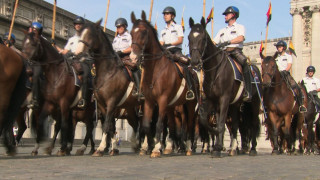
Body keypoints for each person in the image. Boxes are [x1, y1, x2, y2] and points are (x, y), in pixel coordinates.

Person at [213, 6, 251, 101]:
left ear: (233, 15)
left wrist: (229, 42)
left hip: (235, 51)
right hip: (223, 53)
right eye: (225, 15)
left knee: (245, 63)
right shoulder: (222, 30)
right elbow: (214, 41)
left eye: (227, 14)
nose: (225, 16)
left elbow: (241, 38)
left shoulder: (239, 27)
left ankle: (248, 91)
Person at [159, 6, 195, 100]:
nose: (165, 16)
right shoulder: (163, 30)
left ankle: (190, 89)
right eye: (164, 14)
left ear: (173, 16)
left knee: (186, 63)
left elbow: (180, 40)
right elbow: (161, 42)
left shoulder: (178, 27)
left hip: (176, 51)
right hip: (165, 52)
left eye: (167, 14)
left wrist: (169, 44)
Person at [55, 16, 90, 108]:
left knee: (85, 75)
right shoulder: (71, 39)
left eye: (80, 24)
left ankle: (84, 99)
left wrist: (76, 53)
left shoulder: (87, 37)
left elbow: (86, 50)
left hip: (83, 60)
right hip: (72, 61)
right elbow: (64, 52)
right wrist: (55, 46)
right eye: (76, 24)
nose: (78, 26)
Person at [112, 17, 143, 99]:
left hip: (126, 57)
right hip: (115, 58)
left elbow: (132, 47)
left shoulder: (129, 36)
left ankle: (139, 89)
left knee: (134, 67)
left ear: (125, 26)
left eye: (121, 26)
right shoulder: (115, 38)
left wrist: (122, 51)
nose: (119, 28)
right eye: (117, 27)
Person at [274, 40, 307, 112]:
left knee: (296, 87)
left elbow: (289, 65)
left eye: (279, 47)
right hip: (277, 75)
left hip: (285, 74)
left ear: (284, 48)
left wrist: (284, 71)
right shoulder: (276, 57)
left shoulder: (288, 56)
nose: (278, 48)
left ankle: (301, 105)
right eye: (278, 47)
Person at [28, 22, 44, 109]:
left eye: (35, 30)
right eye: (31, 29)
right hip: (28, 61)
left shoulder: (41, 40)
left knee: (36, 76)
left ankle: (35, 99)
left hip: (37, 62)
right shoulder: (27, 39)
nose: (32, 31)